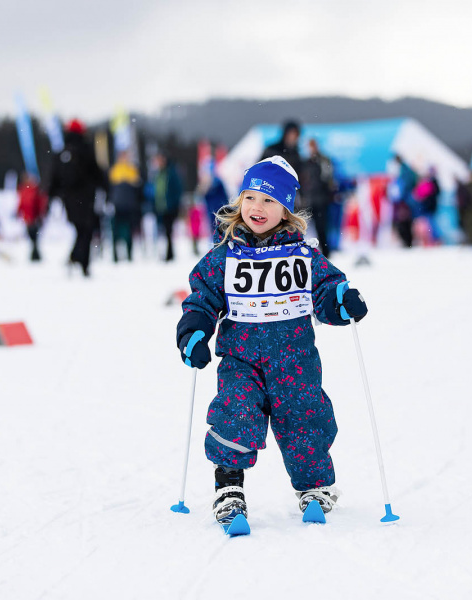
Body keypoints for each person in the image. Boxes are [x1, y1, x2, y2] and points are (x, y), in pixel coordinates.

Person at [175, 156, 369, 528]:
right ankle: (229, 486)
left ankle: (314, 486)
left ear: (285, 209)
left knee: (304, 420)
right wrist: (194, 331)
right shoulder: (224, 257)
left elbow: (326, 290)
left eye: (269, 201)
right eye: (250, 198)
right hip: (240, 360)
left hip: (295, 361)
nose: (257, 208)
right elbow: (201, 298)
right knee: (235, 414)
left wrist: (340, 300)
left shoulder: (303, 256)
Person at [47, 119, 107, 276]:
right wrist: (106, 187)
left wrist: (52, 194)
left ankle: (76, 258)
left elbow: (54, 177)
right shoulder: (85, 149)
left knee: (80, 229)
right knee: (86, 230)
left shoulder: (61, 152)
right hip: (85, 197)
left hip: (68, 198)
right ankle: (81, 261)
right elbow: (96, 172)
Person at [300, 138, 337, 257]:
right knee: (302, 228)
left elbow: (328, 179)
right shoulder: (305, 162)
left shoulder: (323, 160)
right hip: (308, 201)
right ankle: (303, 252)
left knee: (322, 228)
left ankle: (326, 253)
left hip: (321, 200)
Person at [107, 152, 143, 262]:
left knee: (127, 232)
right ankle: (116, 255)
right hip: (118, 206)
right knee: (116, 232)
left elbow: (138, 186)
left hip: (128, 206)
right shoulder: (115, 169)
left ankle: (128, 254)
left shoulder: (131, 169)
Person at [151, 153, 182, 262]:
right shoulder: (159, 174)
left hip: (169, 208)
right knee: (164, 232)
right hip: (161, 208)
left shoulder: (170, 173)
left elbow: (177, 190)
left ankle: (169, 254)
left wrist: (173, 204)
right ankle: (168, 253)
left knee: (168, 231)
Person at [17, 173, 48, 261]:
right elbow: (22, 204)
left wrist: (39, 215)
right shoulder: (24, 190)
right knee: (32, 237)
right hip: (28, 218)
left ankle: (35, 255)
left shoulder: (34, 190)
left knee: (34, 236)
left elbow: (38, 203)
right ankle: (35, 254)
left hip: (33, 218)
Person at [391, 154, 418, 248]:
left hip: (405, 201)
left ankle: (408, 242)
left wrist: (400, 196)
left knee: (404, 222)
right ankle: (407, 242)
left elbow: (405, 185)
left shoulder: (404, 170)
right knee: (405, 222)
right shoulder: (405, 169)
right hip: (405, 200)